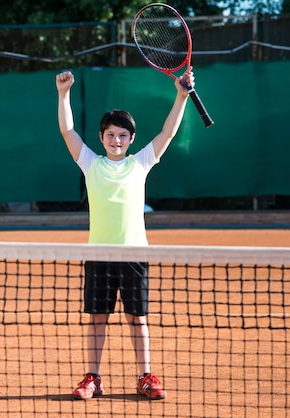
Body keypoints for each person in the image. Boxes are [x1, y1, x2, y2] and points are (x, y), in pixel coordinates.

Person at [55, 68, 195, 401]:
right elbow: (68, 130)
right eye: (110, 135)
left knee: (137, 319)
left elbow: (168, 132)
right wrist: (63, 95)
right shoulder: (90, 163)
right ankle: (93, 378)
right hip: (99, 256)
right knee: (98, 319)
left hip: (135, 254)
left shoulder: (141, 162)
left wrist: (181, 95)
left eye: (122, 136)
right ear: (101, 138)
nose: (116, 140)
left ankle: (146, 377)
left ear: (131, 139)